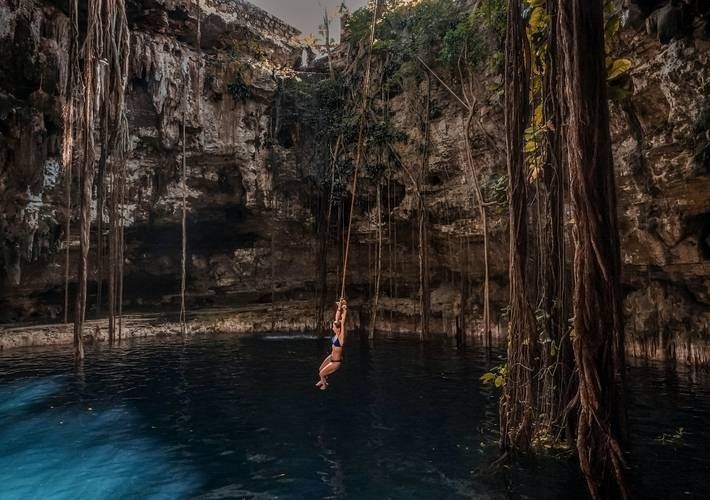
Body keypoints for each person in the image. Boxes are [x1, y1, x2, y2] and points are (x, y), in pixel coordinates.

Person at [316, 298, 347, 390]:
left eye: (333, 327)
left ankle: (324, 385)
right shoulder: (336, 334)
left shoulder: (341, 338)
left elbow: (342, 322)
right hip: (331, 357)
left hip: (336, 362)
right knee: (319, 370)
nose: (332, 328)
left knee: (321, 373)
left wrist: (345, 309)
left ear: (337, 329)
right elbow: (337, 319)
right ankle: (323, 379)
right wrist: (339, 307)